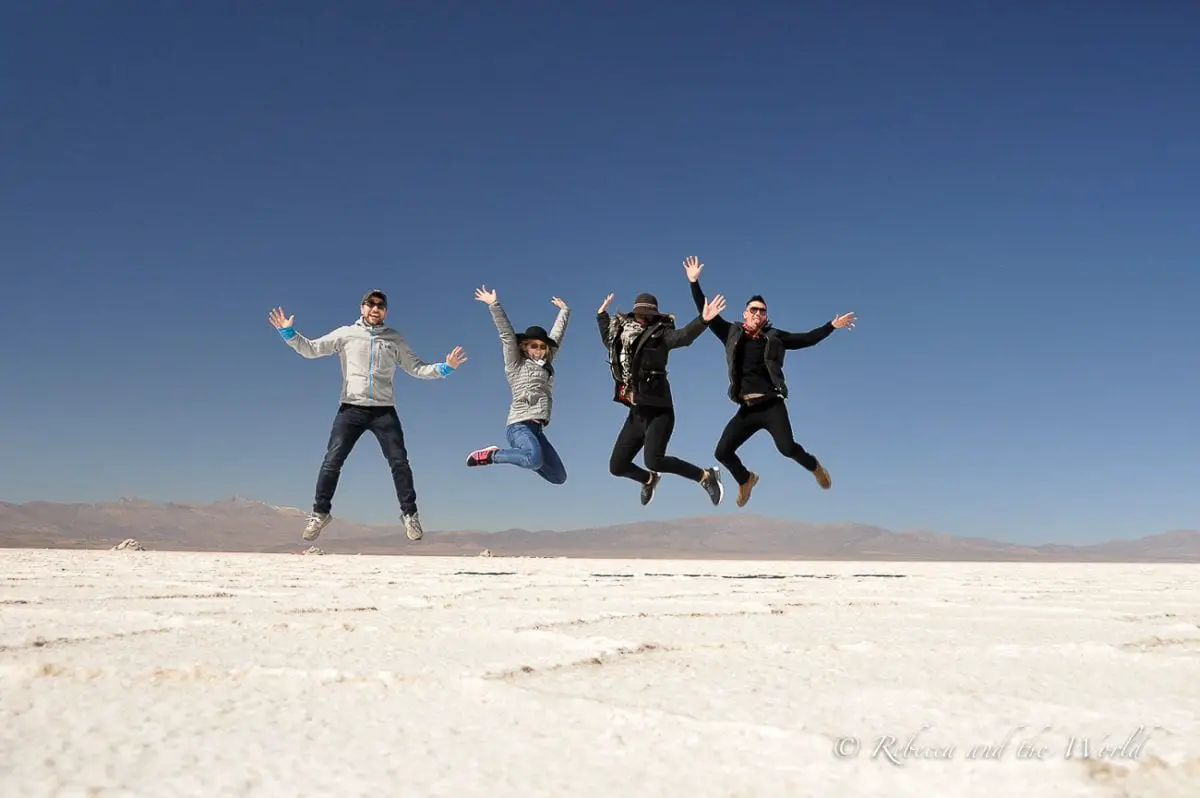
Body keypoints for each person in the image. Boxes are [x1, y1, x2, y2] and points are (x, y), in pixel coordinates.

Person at [268, 289, 468, 542]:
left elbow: (416, 367)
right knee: (332, 460)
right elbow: (311, 349)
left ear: (385, 311)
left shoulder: (394, 339)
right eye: (370, 304)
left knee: (399, 462)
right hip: (351, 408)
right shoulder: (346, 334)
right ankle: (320, 513)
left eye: (380, 305)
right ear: (362, 308)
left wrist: (445, 368)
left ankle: (410, 515)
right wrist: (288, 333)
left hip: (384, 411)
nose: (375, 308)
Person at [682, 256, 857, 507]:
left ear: (766, 316)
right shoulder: (731, 333)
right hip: (747, 408)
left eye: (762, 311)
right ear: (745, 313)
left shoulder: (774, 338)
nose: (758, 313)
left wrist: (831, 325)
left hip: (772, 405)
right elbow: (706, 313)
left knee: (787, 448)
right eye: (753, 309)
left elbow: (807, 339)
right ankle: (746, 479)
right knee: (722, 452)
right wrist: (694, 282)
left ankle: (814, 465)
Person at [596, 289, 728, 506]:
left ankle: (706, 476)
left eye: (647, 315)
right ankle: (649, 480)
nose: (642, 318)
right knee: (617, 466)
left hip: (659, 411)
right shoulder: (621, 336)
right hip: (637, 413)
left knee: (653, 459)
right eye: (639, 314)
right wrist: (601, 315)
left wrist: (703, 320)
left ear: (654, 317)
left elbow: (683, 337)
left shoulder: (661, 335)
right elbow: (606, 338)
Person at [465, 285, 570, 484]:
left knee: (558, 477)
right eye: (534, 346)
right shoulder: (516, 363)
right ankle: (491, 455)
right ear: (525, 346)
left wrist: (565, 311)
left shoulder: (546, 364)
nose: (539, 350)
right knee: (533, 459)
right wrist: (494, 305)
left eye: (542, 347)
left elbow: (558, 336)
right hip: (519, 426)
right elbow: (506, 335)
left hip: (537, 430)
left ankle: (529, 458)